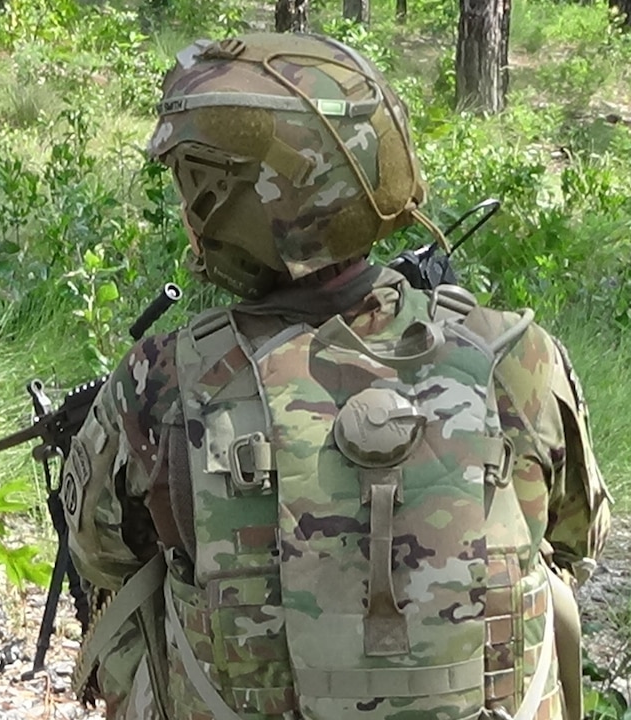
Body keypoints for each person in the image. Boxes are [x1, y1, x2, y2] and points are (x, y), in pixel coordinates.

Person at [61, 32, 611, 720]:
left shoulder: (163, 381)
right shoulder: (518, 357)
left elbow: (101, 553)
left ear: (229, 205)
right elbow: (580, 536)